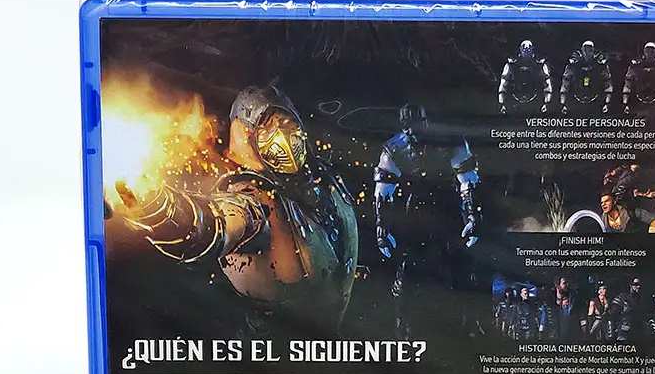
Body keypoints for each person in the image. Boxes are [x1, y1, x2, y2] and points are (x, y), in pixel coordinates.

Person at [108, 85, 358, 337]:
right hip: (273, 351)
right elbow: (210, 226)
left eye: (285, 122)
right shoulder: (253, 194)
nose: (281, 134)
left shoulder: (319, 175)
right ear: (247, 134)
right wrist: (156, 206)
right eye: (267, 126)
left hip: (330, 340)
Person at [374, 103, 482, 338]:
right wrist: (383, 228)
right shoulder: (395, 148)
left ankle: (463, 326)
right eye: (408, 127)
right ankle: (404, 328)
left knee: (460, 270)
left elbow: (468, 182)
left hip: (447, 209)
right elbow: (383, 190)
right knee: (407, 275)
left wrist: (472, 217)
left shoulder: (450, 141)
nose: (413, 132)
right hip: (416, 213)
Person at [498, 40, 553, 115]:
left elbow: (547, 85)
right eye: (524, 50)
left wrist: (546, 103)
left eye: (528, 50)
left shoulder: (540, 64)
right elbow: (503, 84)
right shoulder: (511, 64)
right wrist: (501, 103)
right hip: (515, 100)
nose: (526, 52)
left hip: (535, 101)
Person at [561, 40, 613, 115]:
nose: (587, 52)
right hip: (576, 98)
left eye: (590, 50)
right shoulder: (574, 63)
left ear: (593, 50)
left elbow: (607, 82)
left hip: (596, 99)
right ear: (582, 50)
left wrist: (607, 103)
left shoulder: (600, 64)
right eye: (585, 49)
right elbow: (565, 82)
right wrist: (563, 103)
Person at [623, 42, 655, 115]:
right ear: (644, 51)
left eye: (652, 50)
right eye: (647, 50)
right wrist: (625, 103)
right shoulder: (636, 66)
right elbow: (628, 84)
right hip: (638, 102)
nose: (649, 53)